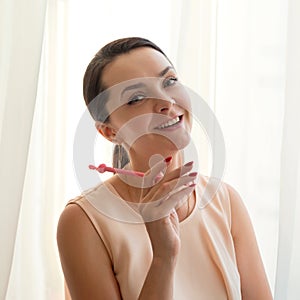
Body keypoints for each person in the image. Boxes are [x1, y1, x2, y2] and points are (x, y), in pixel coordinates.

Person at [57, 37, 273, 300]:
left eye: (169, 81)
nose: (165, 102)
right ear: (109, 131)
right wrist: (163, 257)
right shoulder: (83, 221)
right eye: (136, 98)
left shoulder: (225, 201)